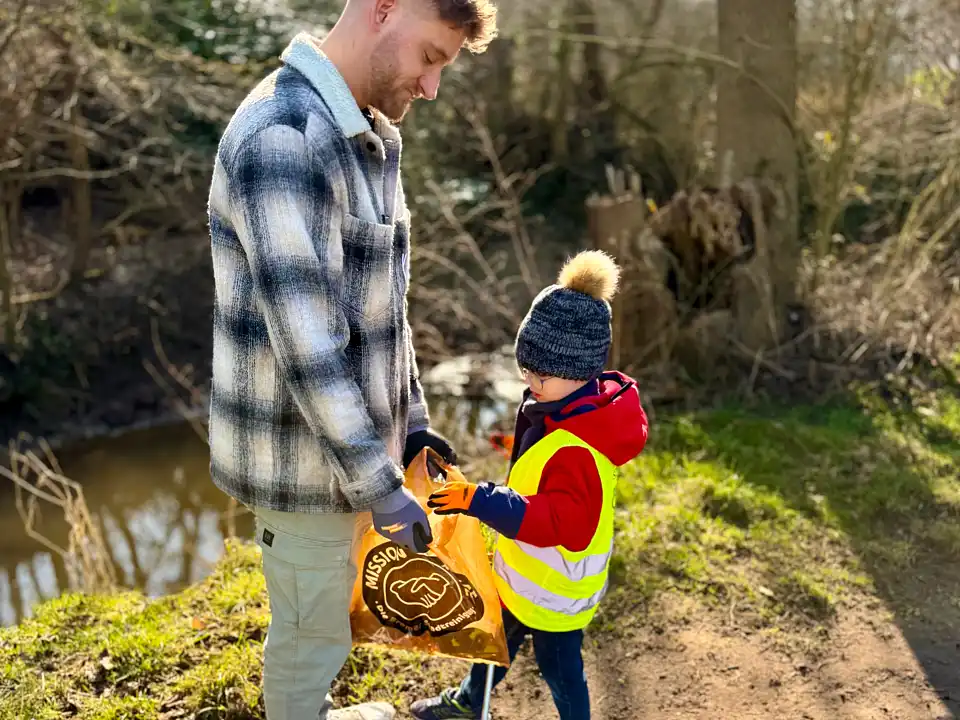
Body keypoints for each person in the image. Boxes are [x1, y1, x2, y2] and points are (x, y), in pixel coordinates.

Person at [206, 2, 499, 719]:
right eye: (430, 58)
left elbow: (384, 312)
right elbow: (307, 346)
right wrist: (381, 484)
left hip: (357, 460)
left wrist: (414, 422)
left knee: (330, 623)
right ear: (384, 9)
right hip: (302, 470)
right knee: (308, 640)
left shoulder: (368, 135)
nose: (431, 87)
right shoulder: (282, 139)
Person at [411, 250, 650, 720]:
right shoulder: (561, 409)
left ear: (580, 371)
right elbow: (543, 468)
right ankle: (468, 703)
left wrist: (479, 499)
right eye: (525, 370)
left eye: (541, 374)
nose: (530, 381)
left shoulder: (578, 450)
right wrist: (513, 446)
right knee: (494, 641)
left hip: (555, 593)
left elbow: (559, 522)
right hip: (521, 577)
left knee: (561, 673)